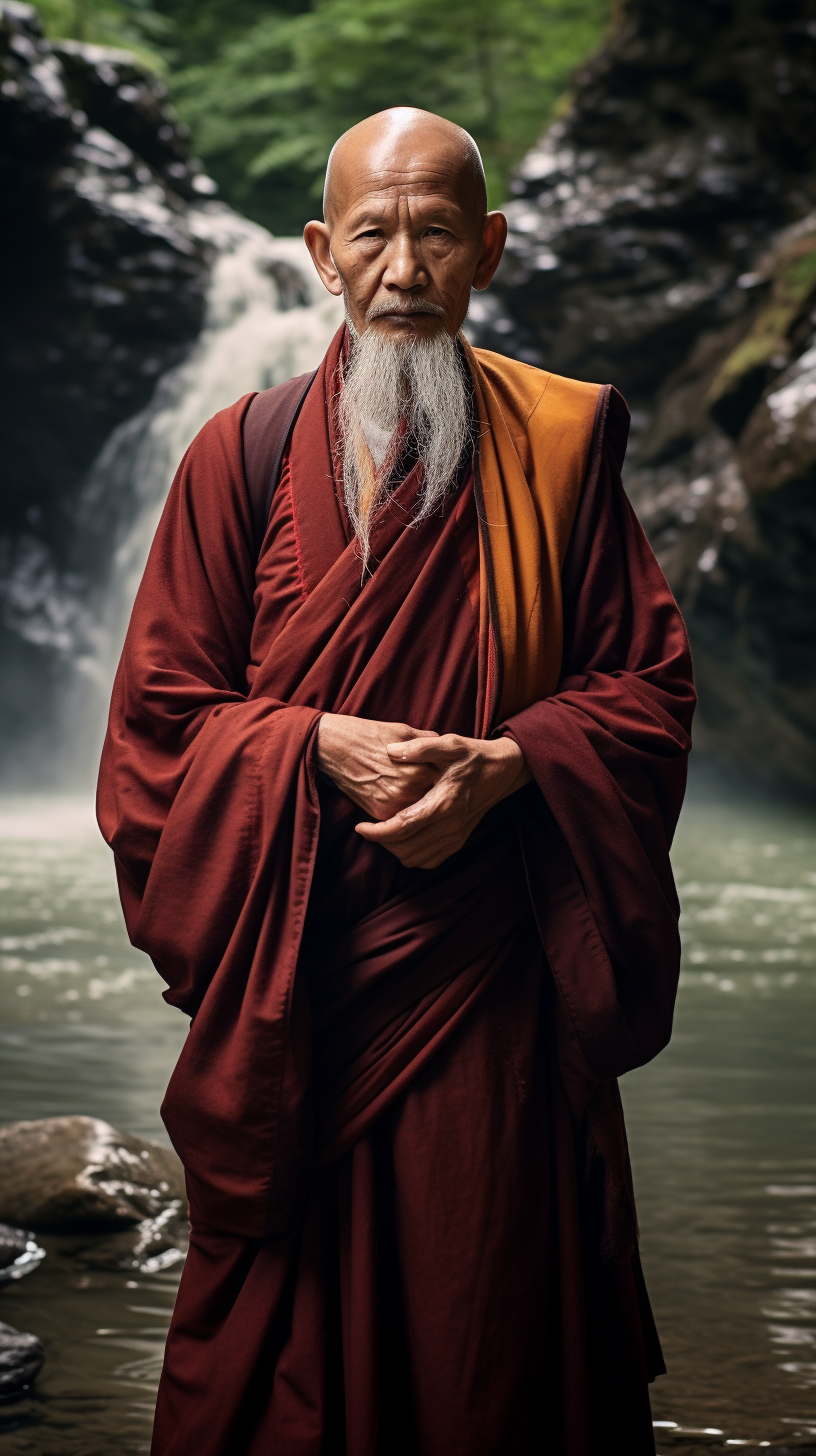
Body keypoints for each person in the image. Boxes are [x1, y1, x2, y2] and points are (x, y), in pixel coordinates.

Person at [98, 106, 695, 1456]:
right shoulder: (236, 459)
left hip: (491, 998)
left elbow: (648, 692)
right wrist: (305, 742)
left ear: (487, 249)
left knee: (492, 1350)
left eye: (436, 236)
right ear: (321, 251)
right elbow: (153, 737)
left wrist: (516, 764)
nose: (404, 272)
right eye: (373, 235)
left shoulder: (560, 452)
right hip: (296, 997)